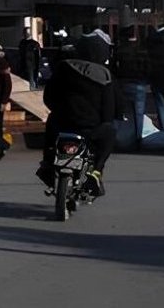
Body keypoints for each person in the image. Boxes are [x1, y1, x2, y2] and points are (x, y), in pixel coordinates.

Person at [38, 33, 118, 194]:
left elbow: (49, 96)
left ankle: (47, 164)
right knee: (110, 131)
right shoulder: (104, 75)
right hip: (89, 128)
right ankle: (96, 171)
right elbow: (109, 109)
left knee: (50, 126)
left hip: (61, 124)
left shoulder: (63, 67)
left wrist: (59, 110)